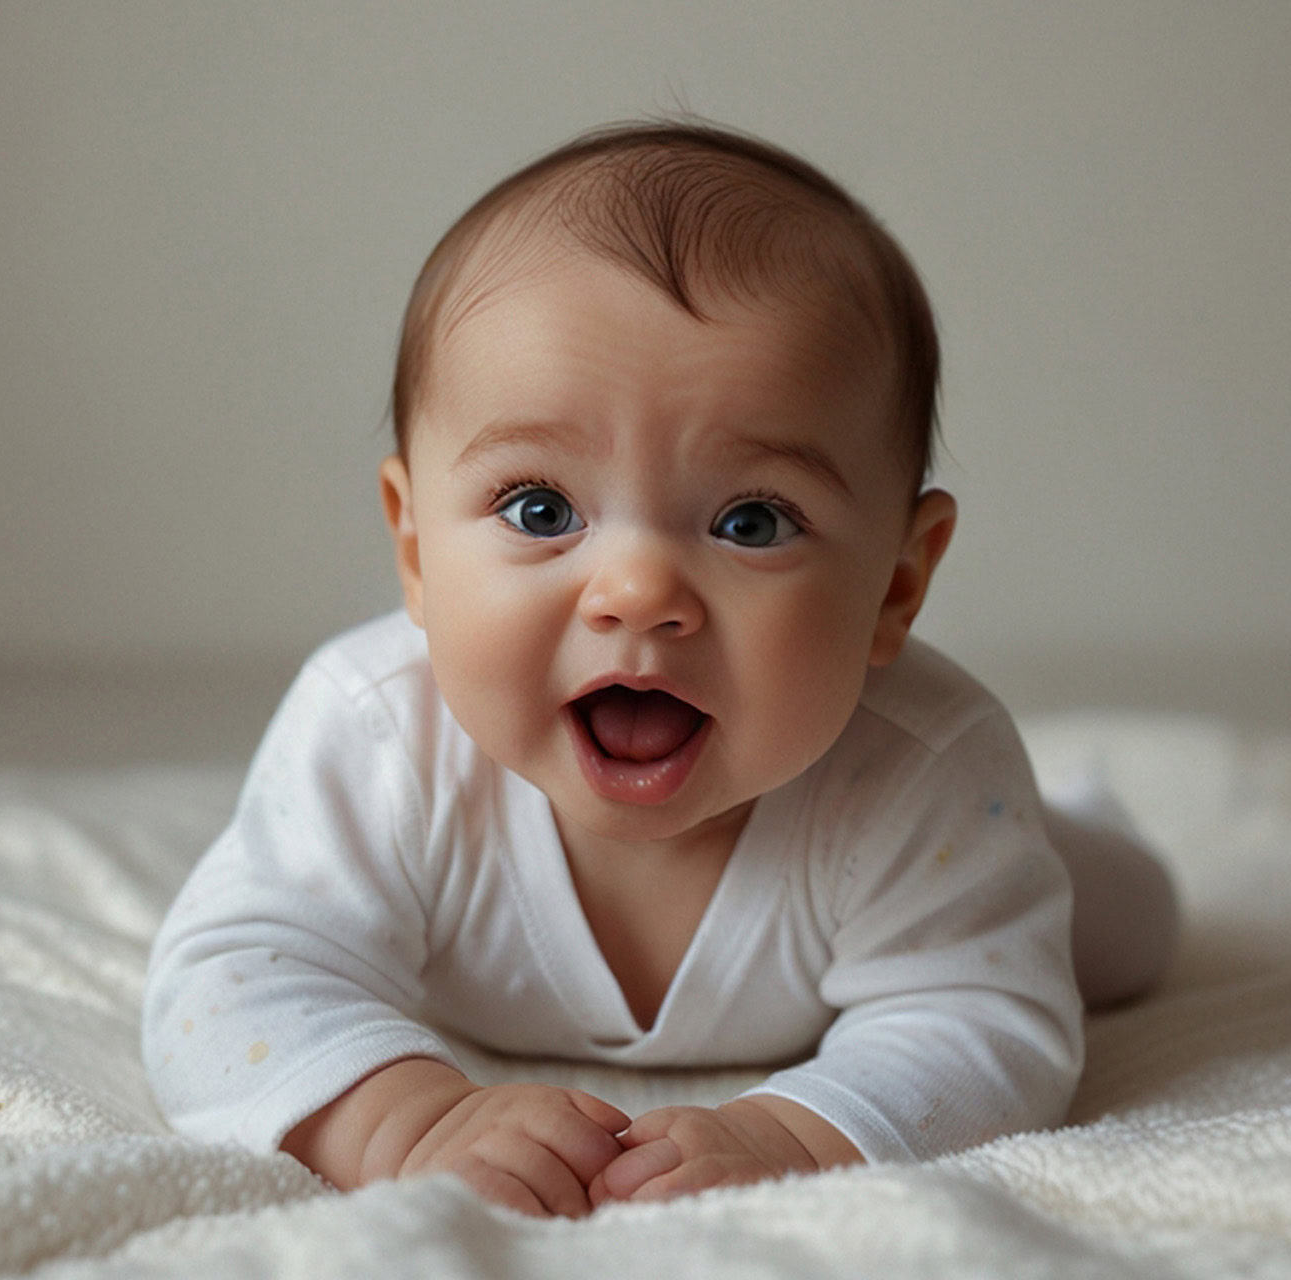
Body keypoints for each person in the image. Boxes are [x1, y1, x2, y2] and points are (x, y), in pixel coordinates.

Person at [141, 119, 1178, 1219]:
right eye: (540, 509)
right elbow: (227, 982)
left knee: (1129, 937)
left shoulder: (922, 776)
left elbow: (986, 1018)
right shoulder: (379, 736)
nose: (636, 590)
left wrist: (793, 1132)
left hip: (989, 846)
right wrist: (411, 1117)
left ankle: (1074, 826)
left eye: (751, 519)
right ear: (414, 549)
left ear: (894, 587)